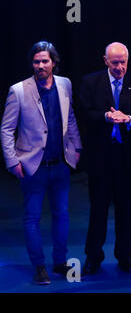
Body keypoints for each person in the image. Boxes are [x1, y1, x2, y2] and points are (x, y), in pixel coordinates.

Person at [0, 41, 82, 284]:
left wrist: (77, 148)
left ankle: (59, 262)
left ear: (53, 63)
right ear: (32, 64)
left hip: (61, 164)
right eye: (36, 61)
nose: (40, 65)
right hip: (32, 167)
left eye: (45, 61)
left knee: (62, 215)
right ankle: (39, 267)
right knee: (32, 218)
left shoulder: (65, 83)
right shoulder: (19, 91)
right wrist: (12, 161)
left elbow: (71, 117)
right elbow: (6, 129)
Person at [80, 42, 131, 275]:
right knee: (98, 212)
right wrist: (105, 116)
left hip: (127, 161)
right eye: (115, 62)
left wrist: (128, 119)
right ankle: (93, 256)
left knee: (126, 212)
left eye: (123, 62)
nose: (120, 67)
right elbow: (84, 114)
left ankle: (125, 256)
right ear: (105, 61)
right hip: (100, 160)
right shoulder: (91, 82)